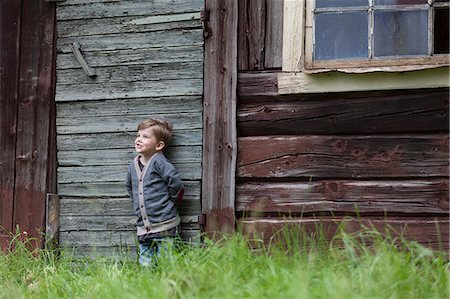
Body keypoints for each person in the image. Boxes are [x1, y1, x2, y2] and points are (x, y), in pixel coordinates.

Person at [126, 118, 184, 266]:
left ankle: (168, 285)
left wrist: (172, 203)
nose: (139, 140)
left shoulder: (160, 163)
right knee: (145, 261)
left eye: (145, 137)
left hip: (165, 223)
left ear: (159, 145)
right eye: (138, 135)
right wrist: (137, 204)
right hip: (143, 227)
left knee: (166, 260)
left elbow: (176, 185)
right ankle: (148, 286)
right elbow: (130, 187)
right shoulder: (133, 165)